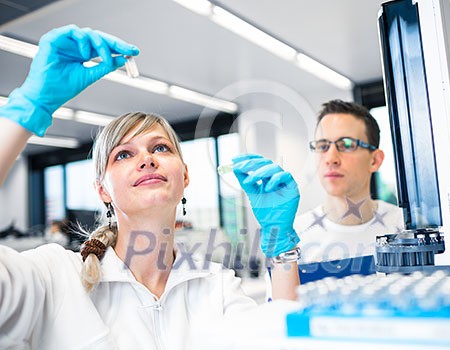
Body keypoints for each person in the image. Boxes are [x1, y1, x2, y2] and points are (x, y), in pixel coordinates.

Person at [0, 25, 301, 349]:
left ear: (184, 176)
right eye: (124, 154)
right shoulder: (55, 277)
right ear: (103, 190)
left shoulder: (217, 286)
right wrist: (28, 107)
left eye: (160, 148)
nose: (146, 159)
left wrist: (281, 250)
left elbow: (283, 342)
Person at [295, 100, 404, 266]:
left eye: (346, 145)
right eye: (323, 146)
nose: (331, 159)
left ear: (375, 160)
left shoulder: (403, 228)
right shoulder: (295, 236)